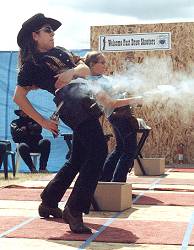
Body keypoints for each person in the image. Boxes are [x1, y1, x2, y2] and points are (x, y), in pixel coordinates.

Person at [13, 13, 107, 234]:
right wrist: (43, 121)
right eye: (47, 30)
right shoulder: (31, 65)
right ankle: (74, 209)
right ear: (35, 36)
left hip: (85, 102)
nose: (52, 33)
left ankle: (49, 200)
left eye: (52, 30)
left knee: (79, 158)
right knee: (98, 151)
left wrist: (72, 72)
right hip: (71, 106)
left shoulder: (62, 50)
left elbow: (86, 69)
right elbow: (19, 98)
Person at [85, 51, 143, 182]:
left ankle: (105, 181)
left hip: (117, 116)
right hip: (119, 115)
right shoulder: (95, 82)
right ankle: (118, 185)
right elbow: (111, 103)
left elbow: (115, 94)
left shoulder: (99, 79)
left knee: (120, 149)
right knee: (129, 151)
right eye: (102, 62)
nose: (105, 65)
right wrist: (134, 100)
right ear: (92, 64)